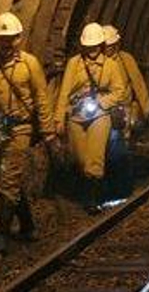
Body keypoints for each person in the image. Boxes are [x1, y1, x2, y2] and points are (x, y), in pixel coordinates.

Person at [0, 12, 58, 254]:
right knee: (4, 179)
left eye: (12, 38)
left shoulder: (29, 63)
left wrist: (48, 132)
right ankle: (28, 226)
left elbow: (41, 99)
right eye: (2, 38)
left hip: (21, 127)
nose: (7, 43)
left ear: (19, 38)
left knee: (9, 178)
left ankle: (2, 234)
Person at [55, 22, 128, 213]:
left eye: (96, 46)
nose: (92, 50)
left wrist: (103, 102)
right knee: (80, 159)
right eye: (89, 46)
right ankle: (91, 189)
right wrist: (58, 118)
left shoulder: (111, 65)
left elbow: (119, 90)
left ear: (101, 45)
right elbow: (64, 91)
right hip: (76, 116)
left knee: (94, 160)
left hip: (99, 115)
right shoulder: (74, 63)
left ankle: (93, 200)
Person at [103, 25, 149, 134]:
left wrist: (146, 107)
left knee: (122, 136)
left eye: (110, 45)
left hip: (123, 106)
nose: (108, 48)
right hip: (103, 107)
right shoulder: (97, 62)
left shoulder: (125, 59)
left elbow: (138, 83)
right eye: (106, 45)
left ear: (116, 45)